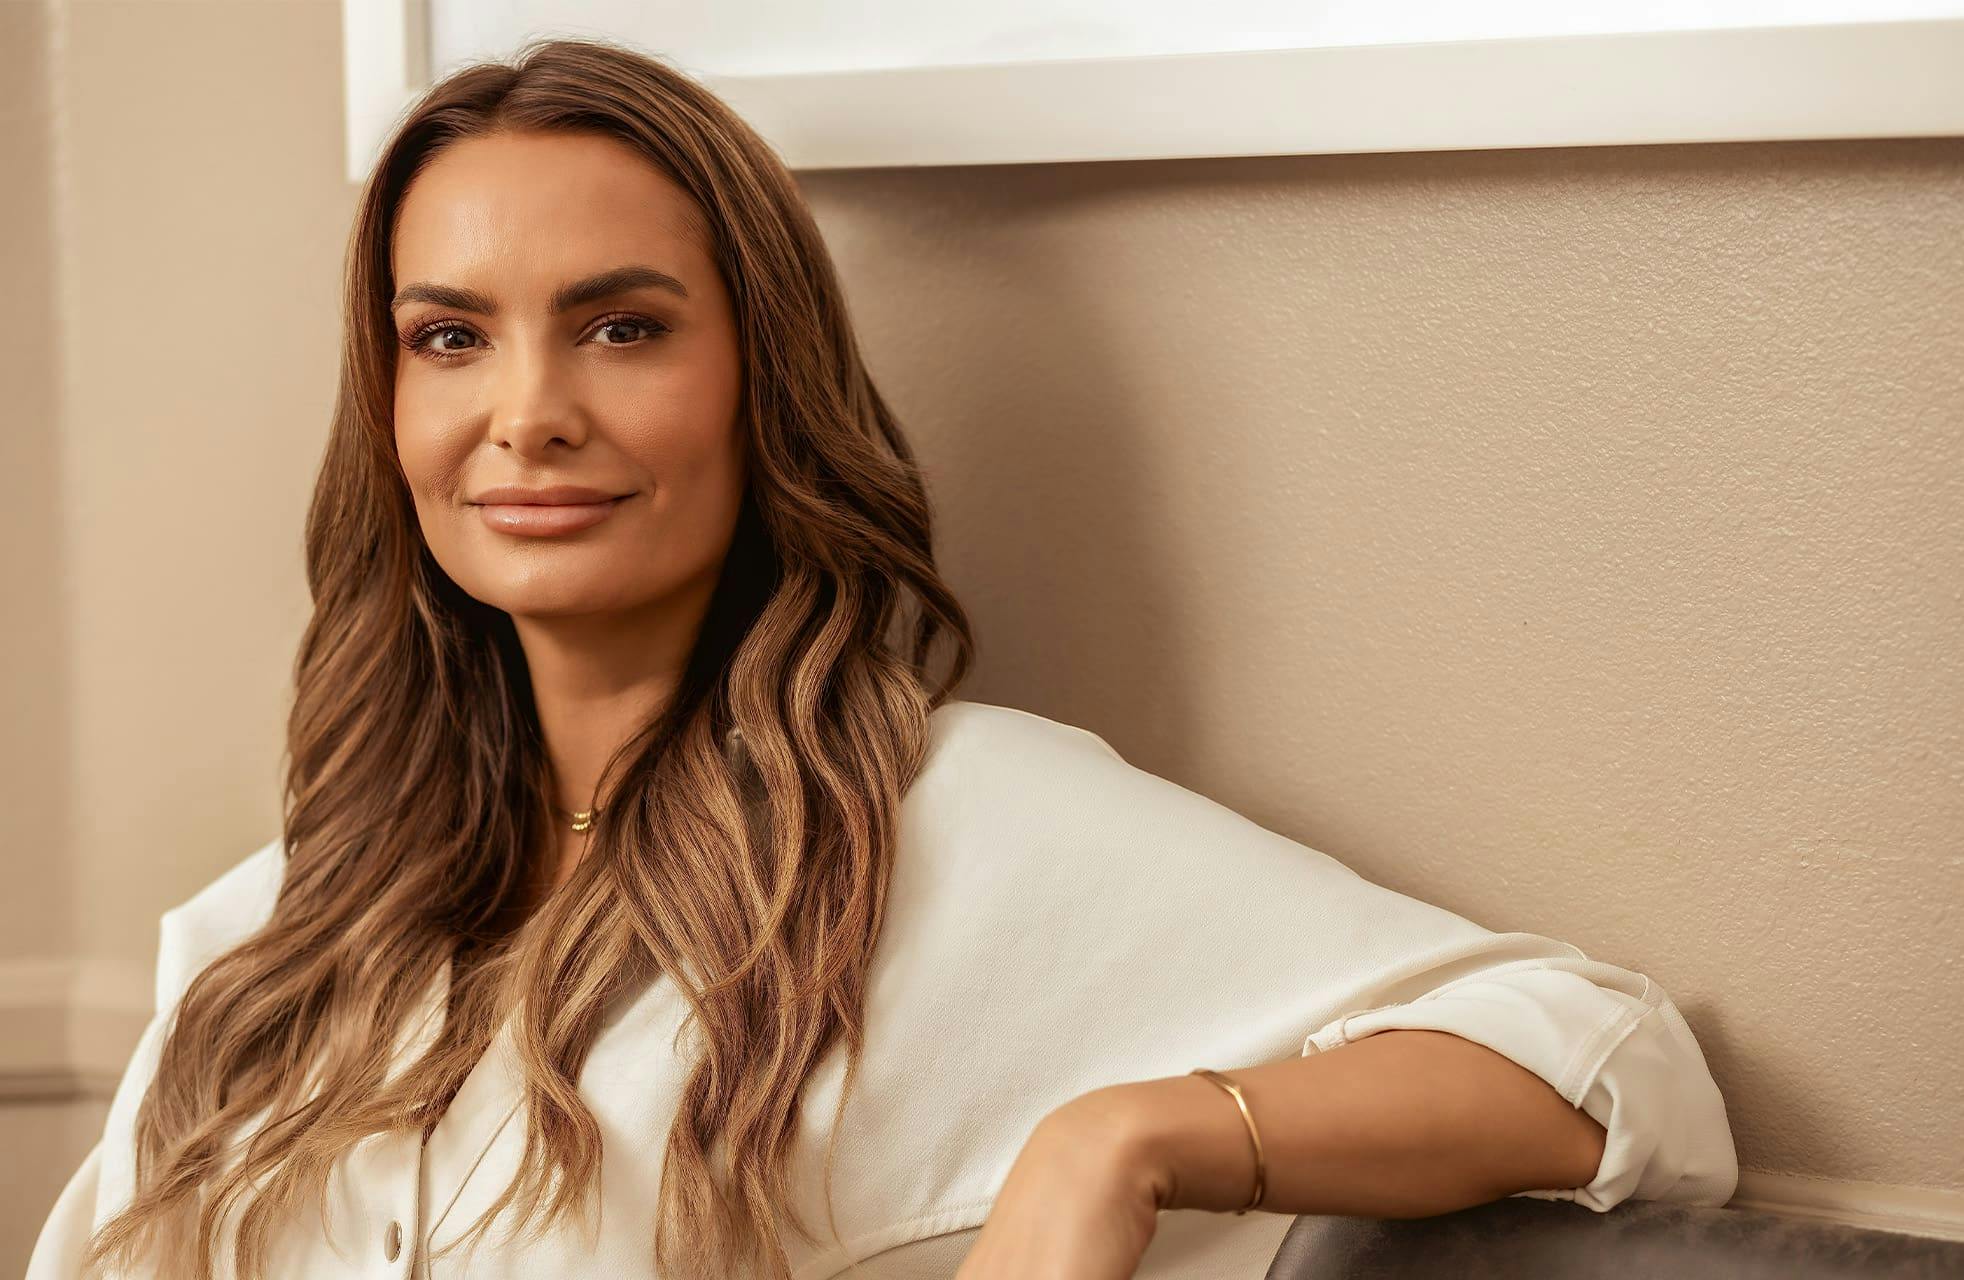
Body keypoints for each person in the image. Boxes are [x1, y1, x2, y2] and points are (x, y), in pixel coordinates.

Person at [25, 34, 1739, 1280]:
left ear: (759, 381)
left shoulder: (946, 828)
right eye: (451, 337)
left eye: (621, 327)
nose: (527, 412)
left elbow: (1603, 1057)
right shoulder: (279, 927)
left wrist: (1124, 1139)